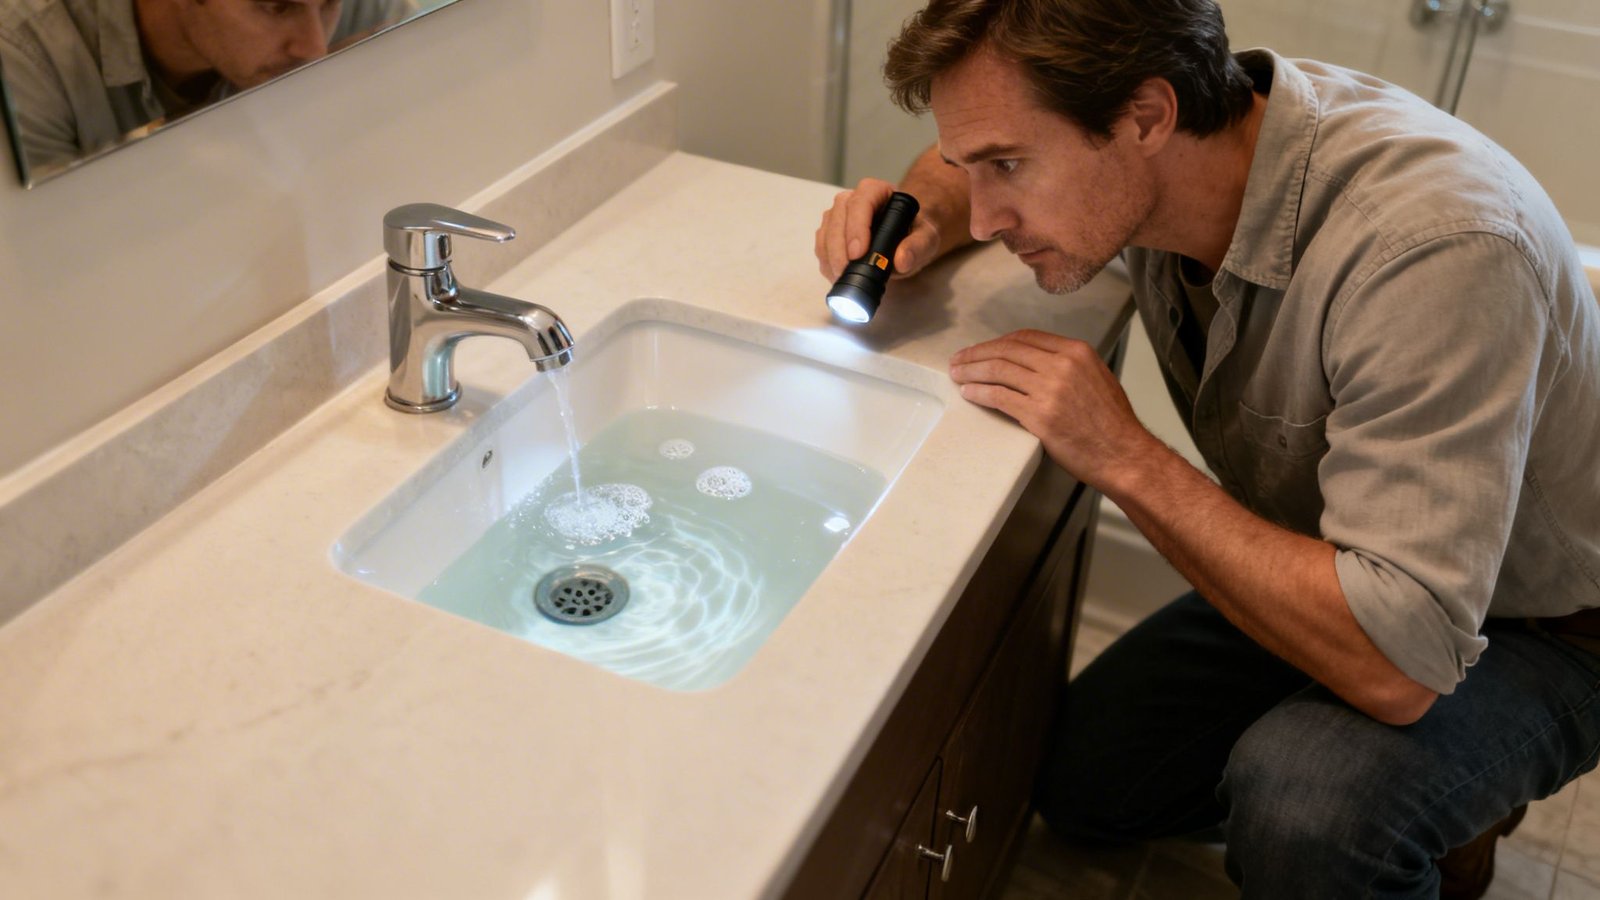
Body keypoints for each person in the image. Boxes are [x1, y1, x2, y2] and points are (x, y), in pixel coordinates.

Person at [814, 0, 1600, 896]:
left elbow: (1400, 666)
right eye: (974, 165)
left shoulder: (1435, 249)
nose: (991, 216)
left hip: (1545, 619)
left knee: (1307, 806)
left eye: (1010, 167)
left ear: (1147, 117)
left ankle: (1445, 823)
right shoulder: (1195, 148)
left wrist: (1124, 454)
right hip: (1340, 556)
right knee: (1083, 785)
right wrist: (925, 213)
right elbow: (964, 170)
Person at [0, 0, 414, 175]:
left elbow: (406, 138)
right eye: (275, 5)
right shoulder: (25, 57)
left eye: (328, 3)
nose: (314, 48)